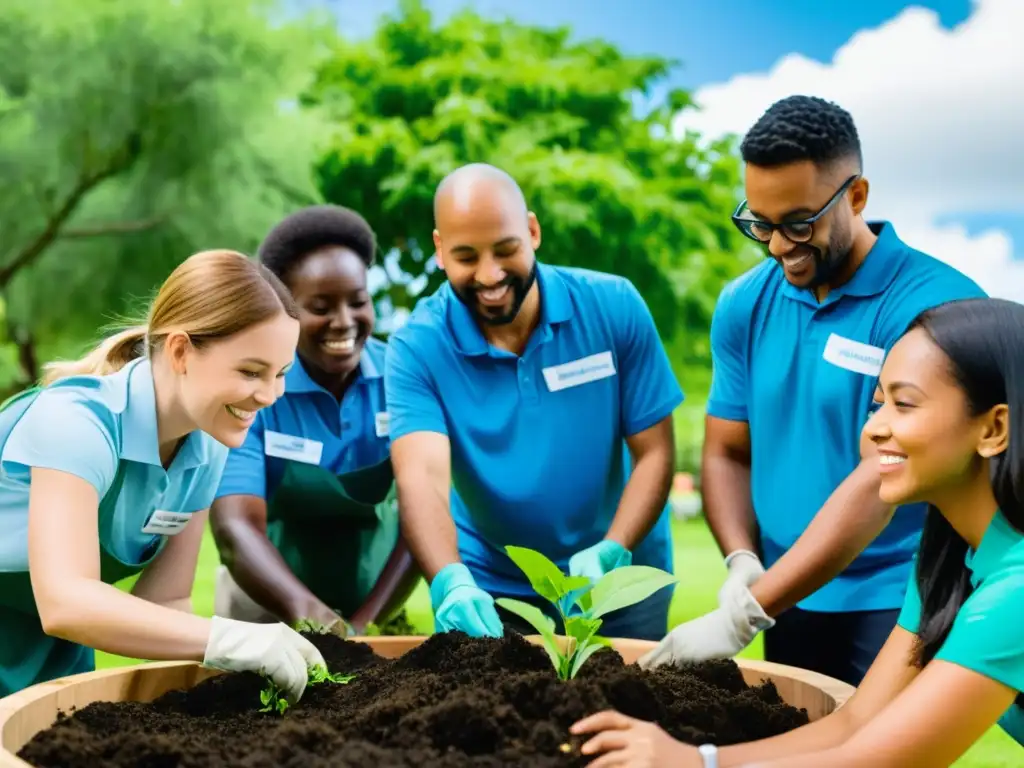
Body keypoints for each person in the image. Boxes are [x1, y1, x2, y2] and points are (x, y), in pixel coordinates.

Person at [569, 297, 1024, 767]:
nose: (874, 429)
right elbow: (857, 722)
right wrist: (698, 756)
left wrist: (693, 765)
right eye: (877, 404)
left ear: (994, 428)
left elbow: (878, 762)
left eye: (903, 404)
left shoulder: (1015, 591)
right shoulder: (949, 557)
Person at [640, 95, 987, 685]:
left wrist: (747, 613)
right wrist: (742, 561)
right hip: (786, 592)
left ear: (855, 196)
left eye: (799, 223)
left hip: (898, 595)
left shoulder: (933, 309)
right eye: (760, 224)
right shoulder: (744, 304)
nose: (778, 246)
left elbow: (883, 470)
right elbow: (727, 451)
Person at [0, 249, 327, 702]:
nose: (271, 395)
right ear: (180, 351)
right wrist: (232, 639)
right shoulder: (76, 422)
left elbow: (166, 603)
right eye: (251, 371)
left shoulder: (208, 445)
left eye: (281, 374)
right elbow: (65, 599)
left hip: (55, 653)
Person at [384, 163, 683, 641]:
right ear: (439, 250)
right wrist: (450, 580)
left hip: (620, 578)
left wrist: (614, 548)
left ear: (533, 230)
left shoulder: (614, 306)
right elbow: (421, 479)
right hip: (494, 589)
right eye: (465, 257)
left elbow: (655, 451)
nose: (489, 274)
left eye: (506, 250)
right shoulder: (417, 347)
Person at [210, 205, 419, 634]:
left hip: (377, 608)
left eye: (358, 302)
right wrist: (320, 622)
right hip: (262, 615)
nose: (344, 322)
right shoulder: (254, 393)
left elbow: (424, 514)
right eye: (321, 306)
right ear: (284, 309)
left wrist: (364, 627)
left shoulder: (403, 381)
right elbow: (235, 527)